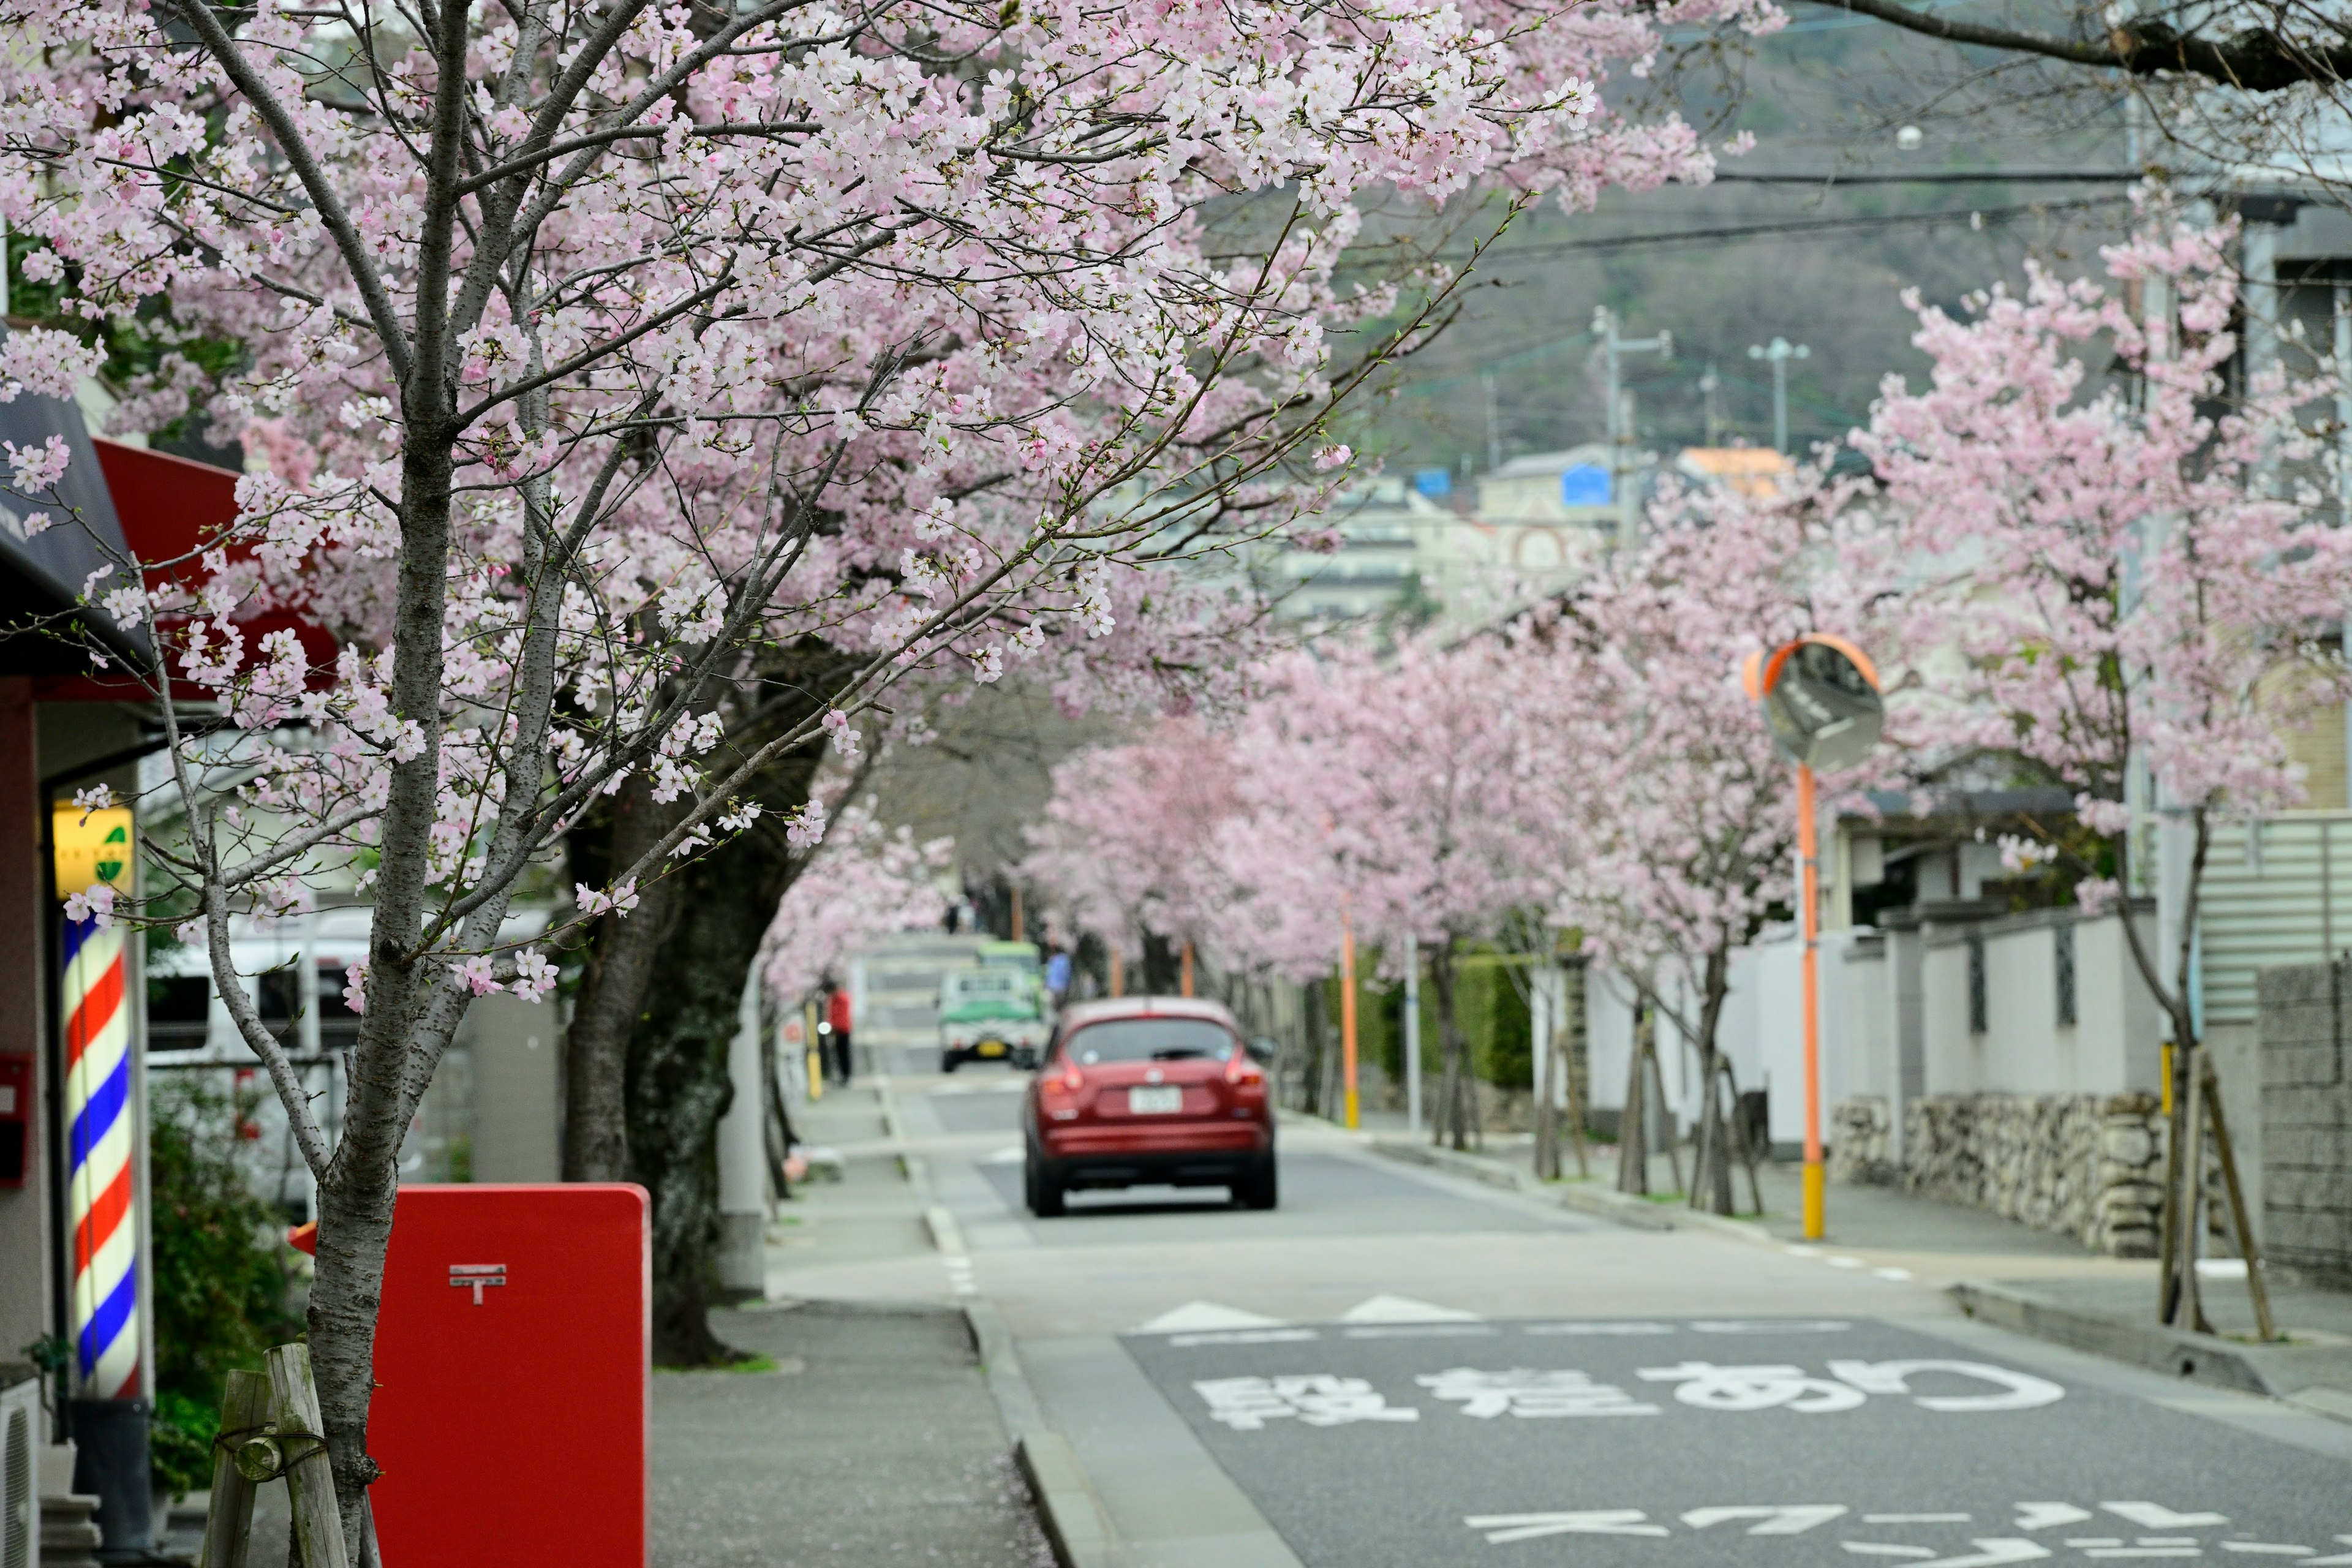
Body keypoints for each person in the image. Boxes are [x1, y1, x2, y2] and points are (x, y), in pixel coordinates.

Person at [825, 979, 855, 1085]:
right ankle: (843, 1075)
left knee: (844, 1053)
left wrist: (834, 1026)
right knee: (839, 1053)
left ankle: (846, 1075)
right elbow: (831, 1015)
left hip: (844, 1029)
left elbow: (842, 1016)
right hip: (836, 1030)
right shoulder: (833, 999)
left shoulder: (843, 999)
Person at [1044, 944, 1072, 1009]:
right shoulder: (1065, 959)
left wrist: (1046, 984)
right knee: (1061, 1005)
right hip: (1062, 986)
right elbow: (1067, 973)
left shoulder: (1052, 960)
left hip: (1052, 986)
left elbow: (1048, 973)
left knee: (1054, 1006)